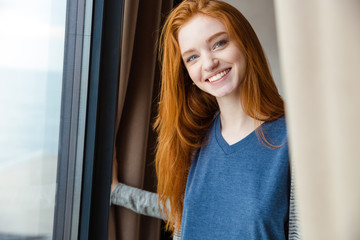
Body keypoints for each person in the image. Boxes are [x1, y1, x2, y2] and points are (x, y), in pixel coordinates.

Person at [112, 0, 300, 239]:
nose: (209, 63)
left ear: (245, 43)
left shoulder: (294, 141)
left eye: (219, 43)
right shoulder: (194, 139)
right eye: (192, 57)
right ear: (187, 73)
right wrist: (117, 192)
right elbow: (192, 212)